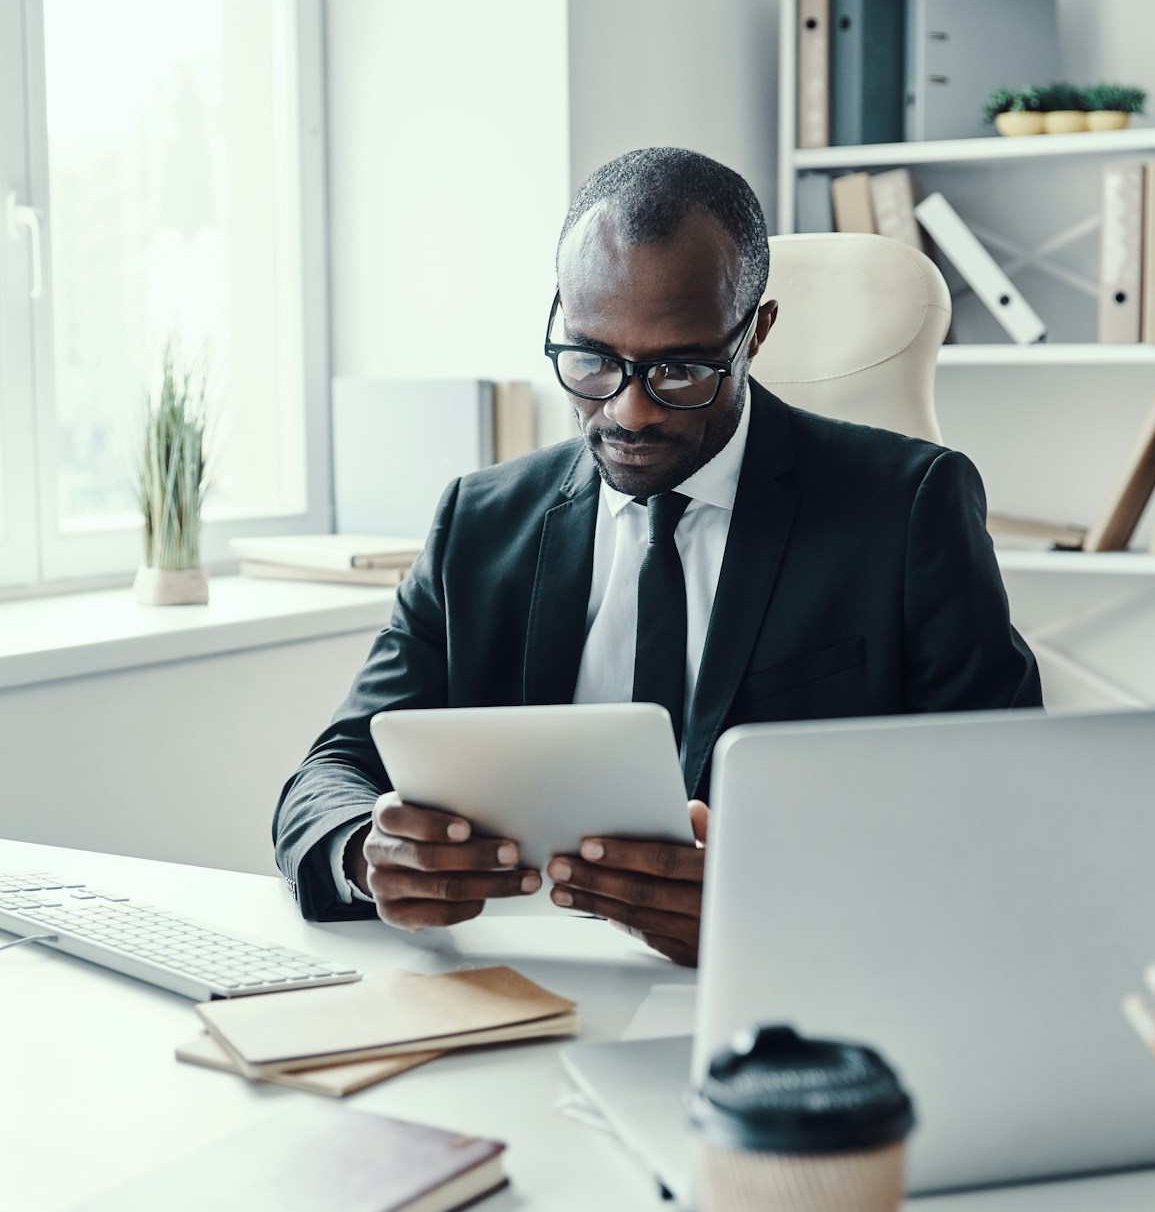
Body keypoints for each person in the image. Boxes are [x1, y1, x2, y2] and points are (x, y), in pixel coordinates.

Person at [273, 147, 1040, 966]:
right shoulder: (479, 523)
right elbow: (332, 772)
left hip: (806, 991)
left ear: (756, 333)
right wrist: (368, 853)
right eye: (593, 357)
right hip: (532, 997)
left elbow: (1005, 811)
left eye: (679, 367)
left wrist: (772, 902)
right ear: (560, 317)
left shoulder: (907, 510)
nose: (629, 411)